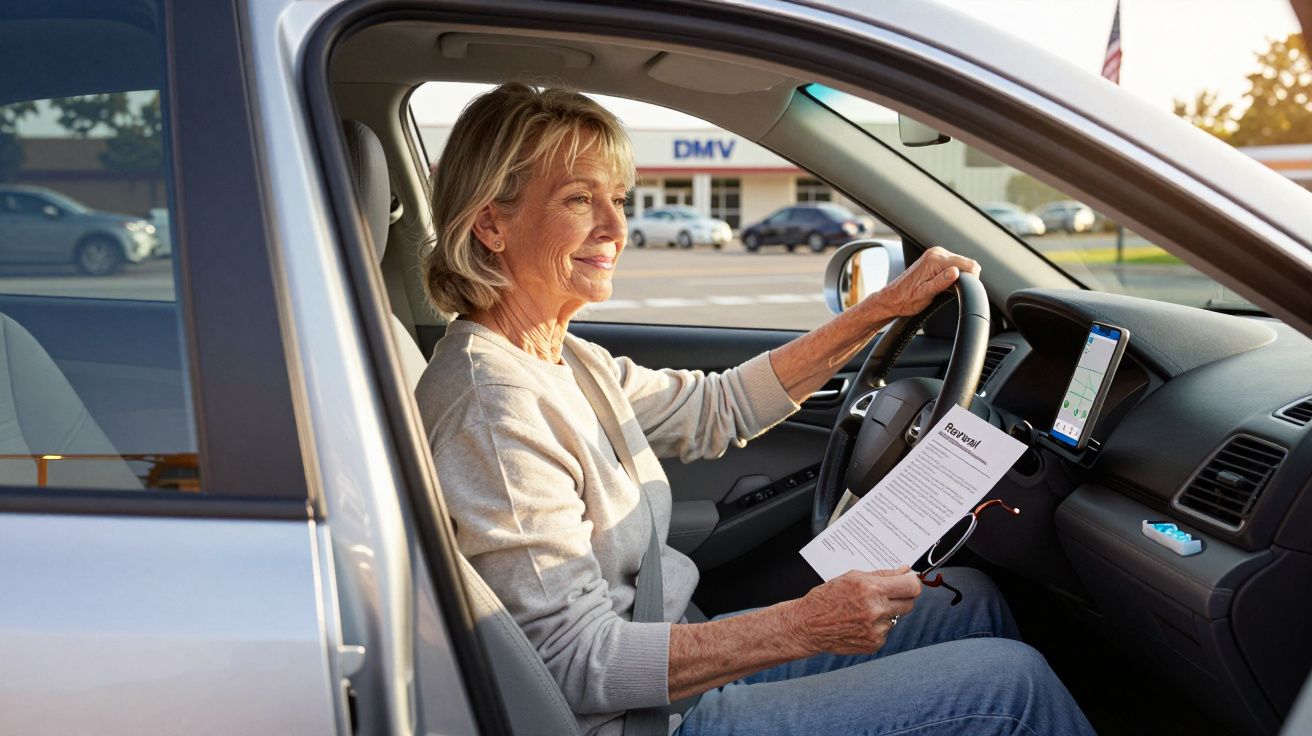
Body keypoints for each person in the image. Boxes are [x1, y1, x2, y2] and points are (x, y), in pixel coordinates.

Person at [416, 83, 1094, 736]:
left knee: (969, 601)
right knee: (1013, 688)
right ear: (492, 224)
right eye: (578, 200)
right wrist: (804, 625)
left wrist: (883, 308)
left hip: (668, 666)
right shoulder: (494, 410)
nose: (617, 227)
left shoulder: (565, 359)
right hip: (645, 721)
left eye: (617, 199)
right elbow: (573, 664)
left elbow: (721, 406)